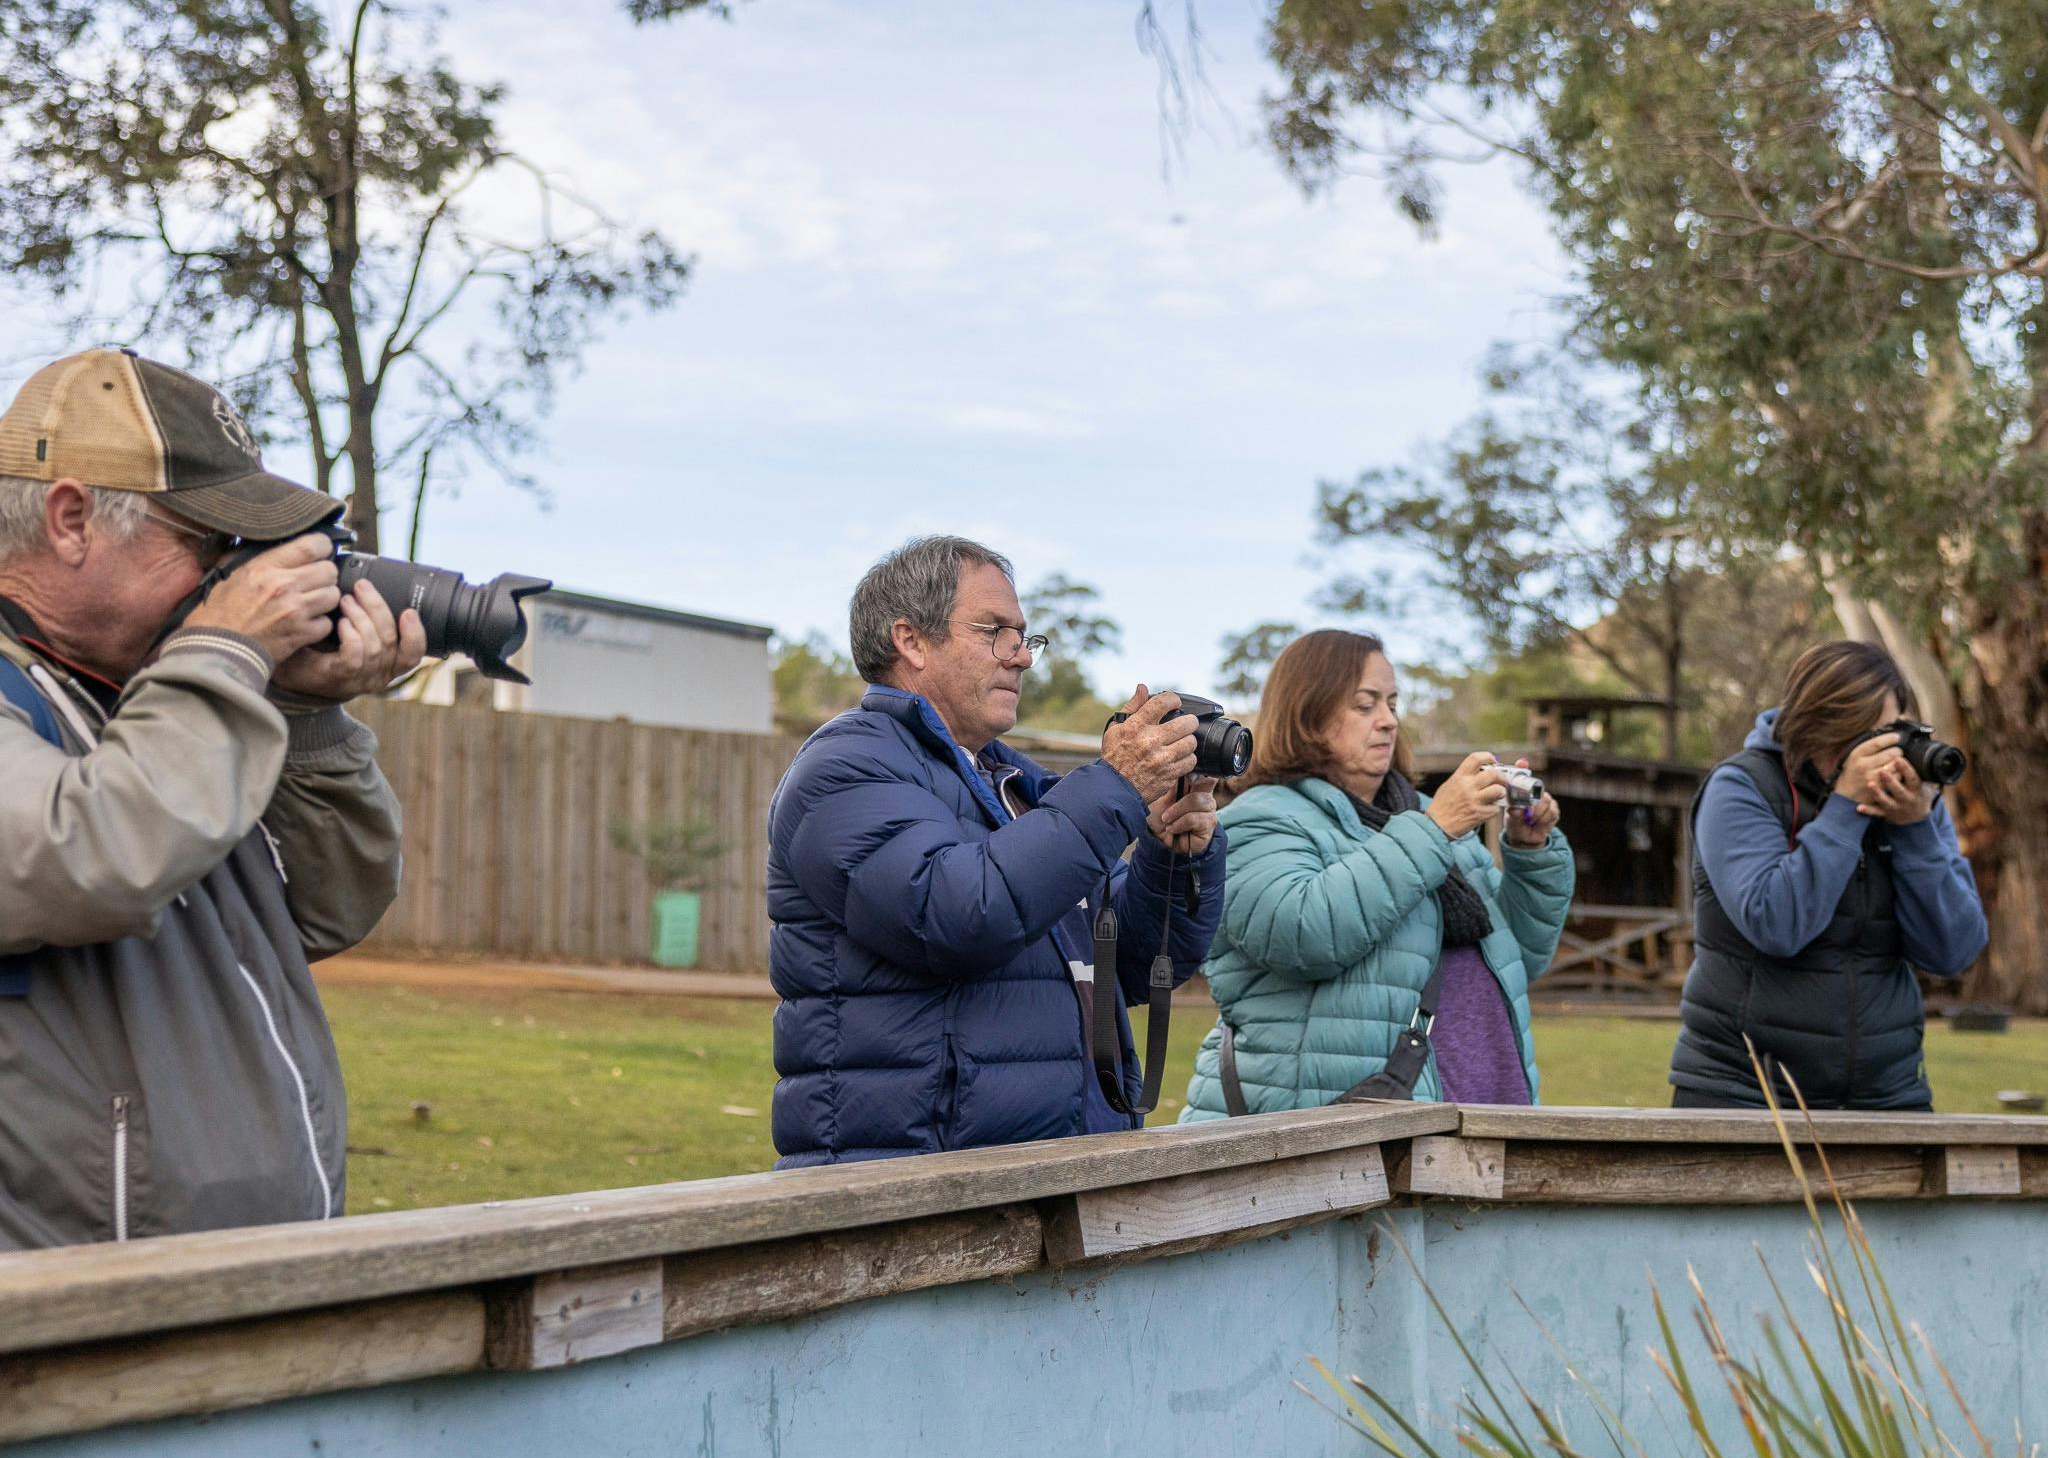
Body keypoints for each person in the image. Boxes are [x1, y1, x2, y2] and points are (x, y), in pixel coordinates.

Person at [0, 348, 423, 1249]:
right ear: (72, 519)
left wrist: (304, 714)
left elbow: (325, 911)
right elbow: (90, 858)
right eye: (207, 547)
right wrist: (226, 651)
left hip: (249, 1288)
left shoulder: (161, 697)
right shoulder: (155, 691)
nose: (230, 583)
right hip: (69, 1324)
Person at [767, 535, 1226, 1165]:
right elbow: (960, 913)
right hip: (910, 1185)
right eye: (996, 632)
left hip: (1043, 1172)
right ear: (911, 640)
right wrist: (1115, 787)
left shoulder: (1013, 783)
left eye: (1025, 637)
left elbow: (1128, 965)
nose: (1021, 658)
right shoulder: (846, 769)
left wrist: (1171, 856)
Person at [1181, 629, 1575, 1117]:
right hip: (1326, 1140)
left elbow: (1520, 959)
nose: (1388, 721)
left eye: (1392, 703)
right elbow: (1302, 935)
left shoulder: (1426, 816)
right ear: (1308, 714)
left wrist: (1531, 850)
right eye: (1365, 705)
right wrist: (1433, 831)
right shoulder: (1258, 819)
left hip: (1480, 1109)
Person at [1668, 640, 1987, 1110]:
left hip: (1886, 1095)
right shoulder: (1740, 786)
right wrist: (1843, 810)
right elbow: (1776, 924)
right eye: (1860, 736)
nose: (1879, 754)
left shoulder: (1910, 802)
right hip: (1744, 1093)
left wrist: (1915, 831)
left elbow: (1954, 951)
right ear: (1813, 725)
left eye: (1889, 733)